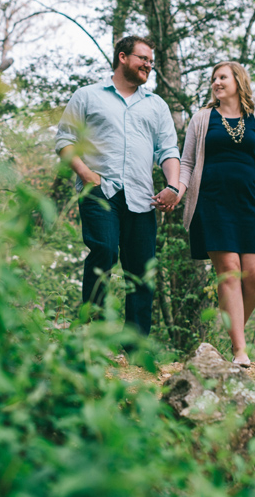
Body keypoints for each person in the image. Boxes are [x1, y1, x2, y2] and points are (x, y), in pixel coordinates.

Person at [55, 35, 181, 337]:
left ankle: (136, 345)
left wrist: (173, 186)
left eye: (151, 61)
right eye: (143, 59)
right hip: (99, 191)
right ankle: (94, 332)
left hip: (142, 196)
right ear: (123, 57)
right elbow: (64, 140)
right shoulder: (88, 96)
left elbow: (168, 150)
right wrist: (85, 174)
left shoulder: (156, 105)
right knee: (104, 251)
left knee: (141, 270)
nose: (148, 65)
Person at [177, 61, 255, 367]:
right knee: (228, 272)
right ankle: (239, 350)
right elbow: (186, 163)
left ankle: (234, 329)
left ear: (238, 82)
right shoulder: (202, 119)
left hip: (250, 204)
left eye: (222, 77)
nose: (216, 82)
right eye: (213, 78)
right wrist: (177, 190)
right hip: (213, 203)